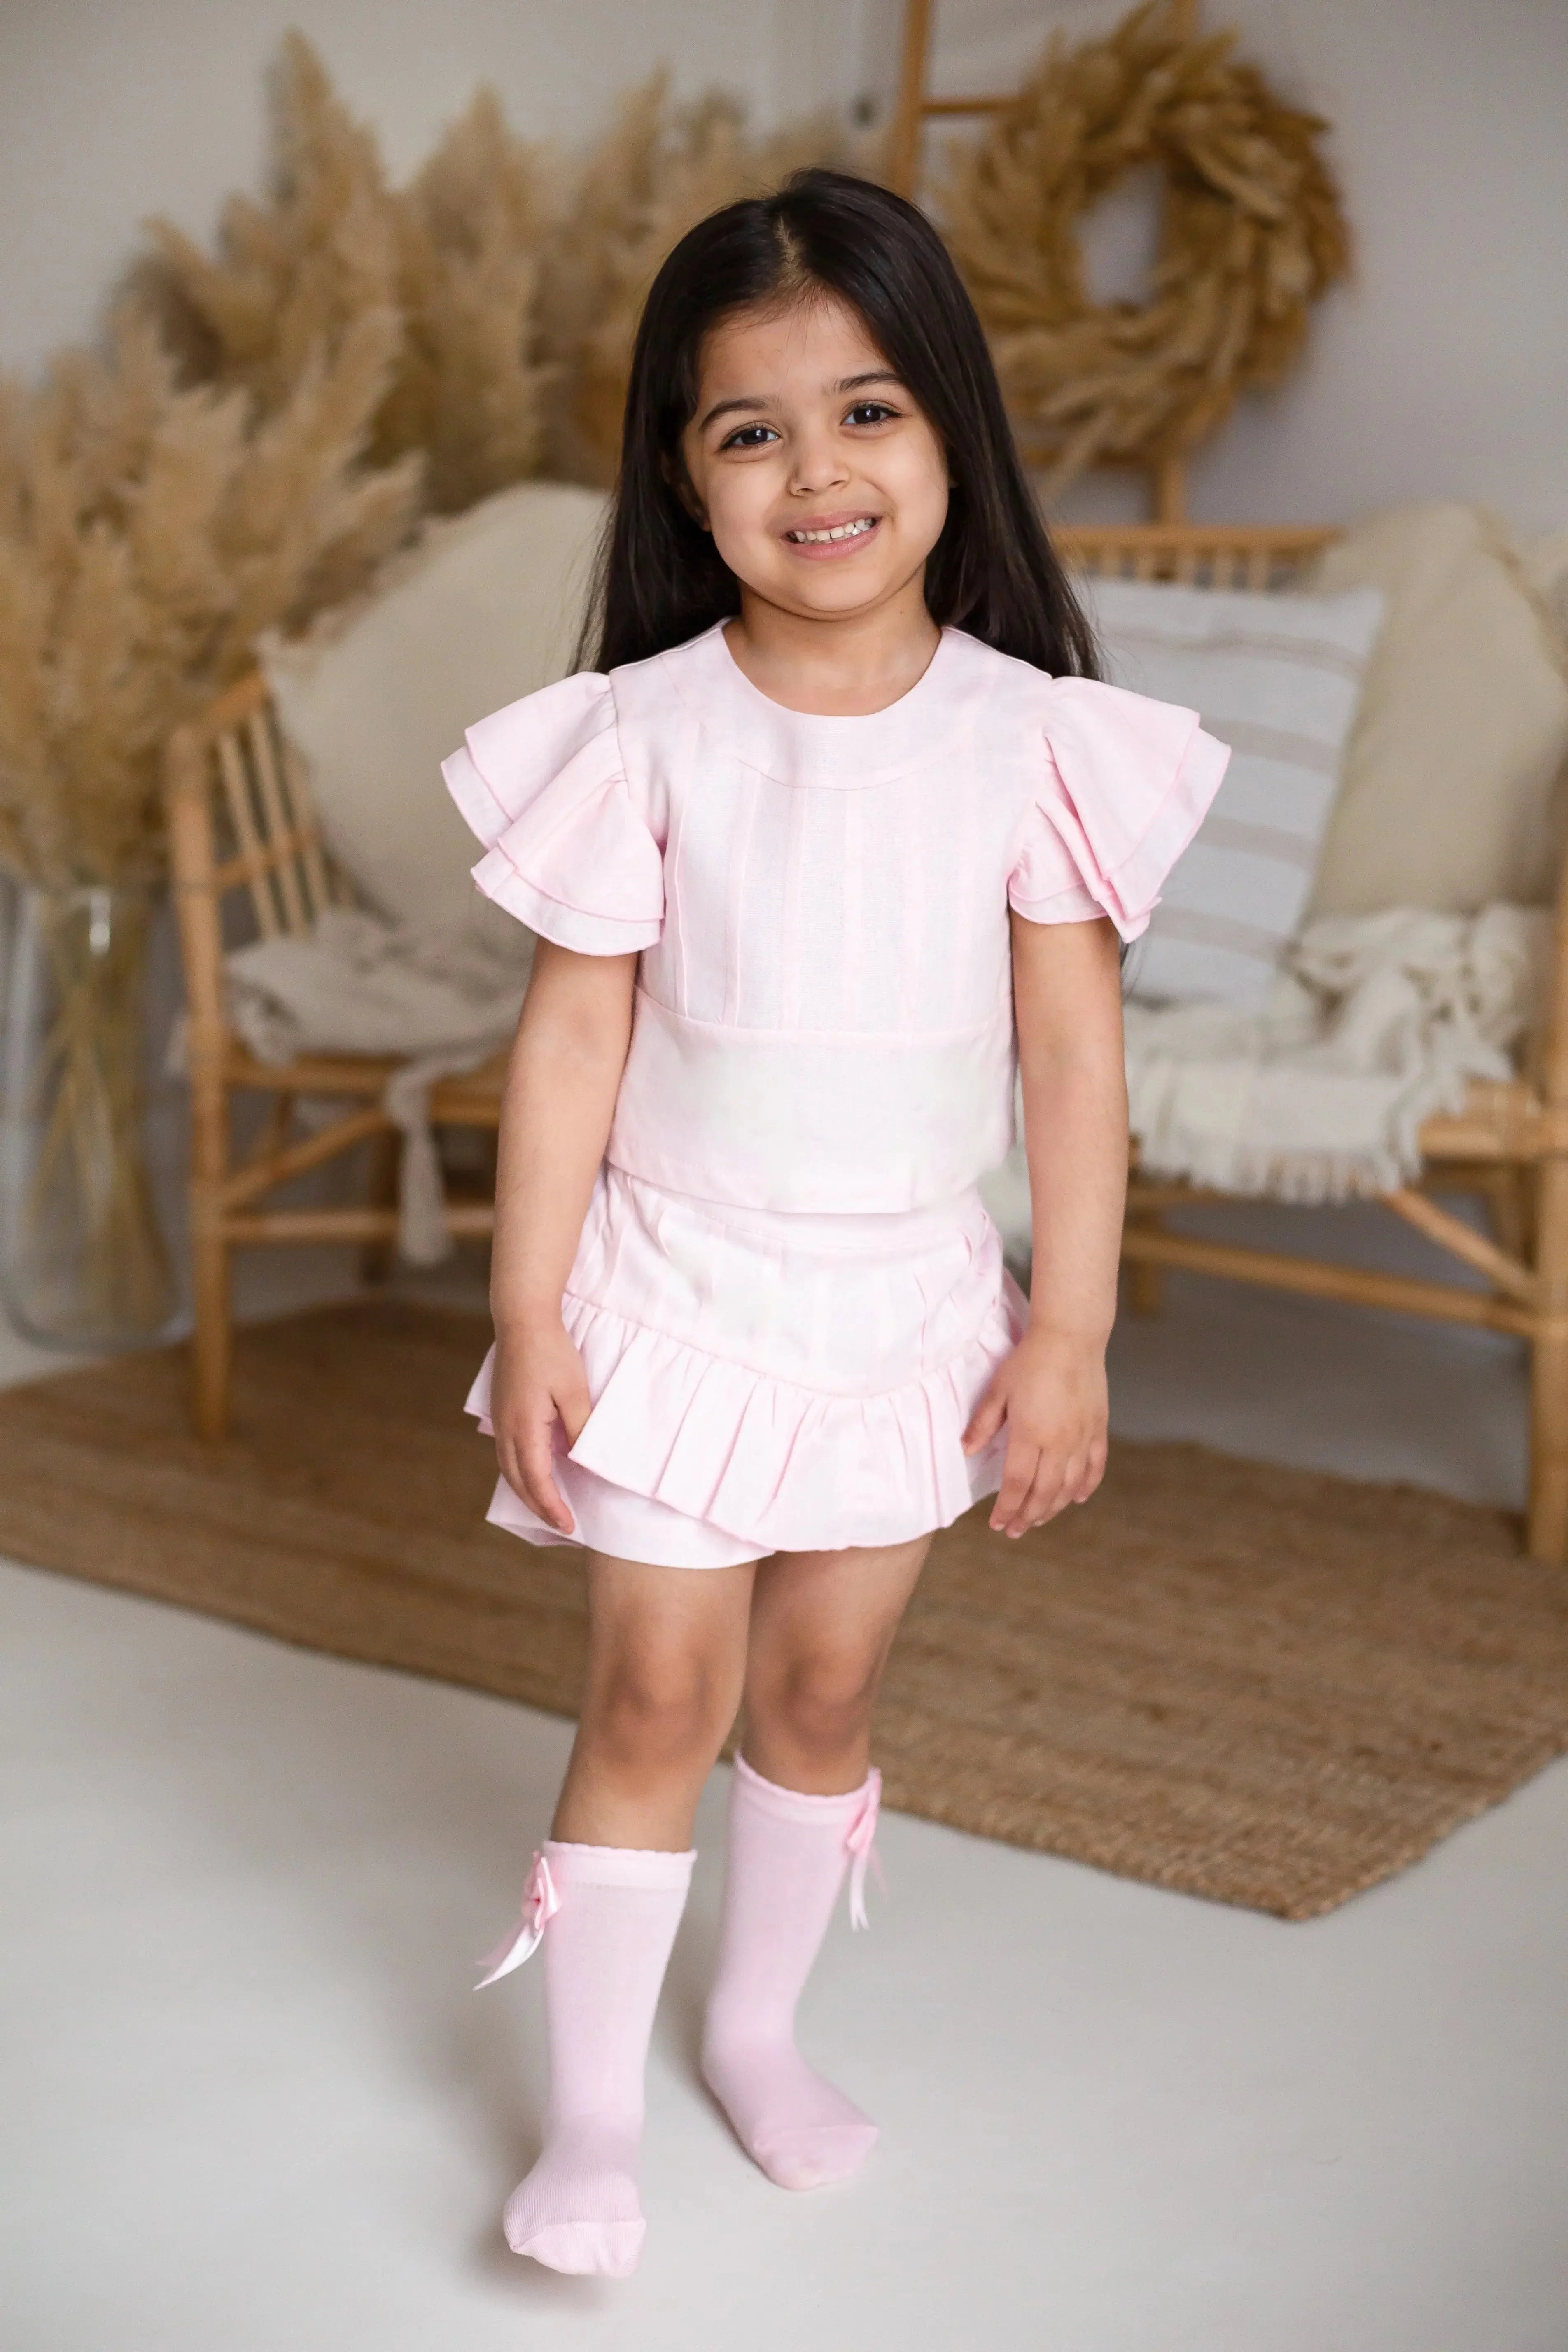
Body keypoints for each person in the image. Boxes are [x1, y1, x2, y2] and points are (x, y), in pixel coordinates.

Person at [442, 168, 1228, 2279]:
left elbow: (1071, 1066)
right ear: (683, 476)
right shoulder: (644, 735)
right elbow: (571, 1044)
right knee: (653, 1695)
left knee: (814, 1688)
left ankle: (759, 2028)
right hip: (673, 1284)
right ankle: (589, 2113)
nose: (817, 469)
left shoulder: (1029, 740)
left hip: (898, 1304)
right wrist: (533, 1305)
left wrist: (1064, 1331)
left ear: (950, 429)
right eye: (749, 426)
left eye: (867, 410)